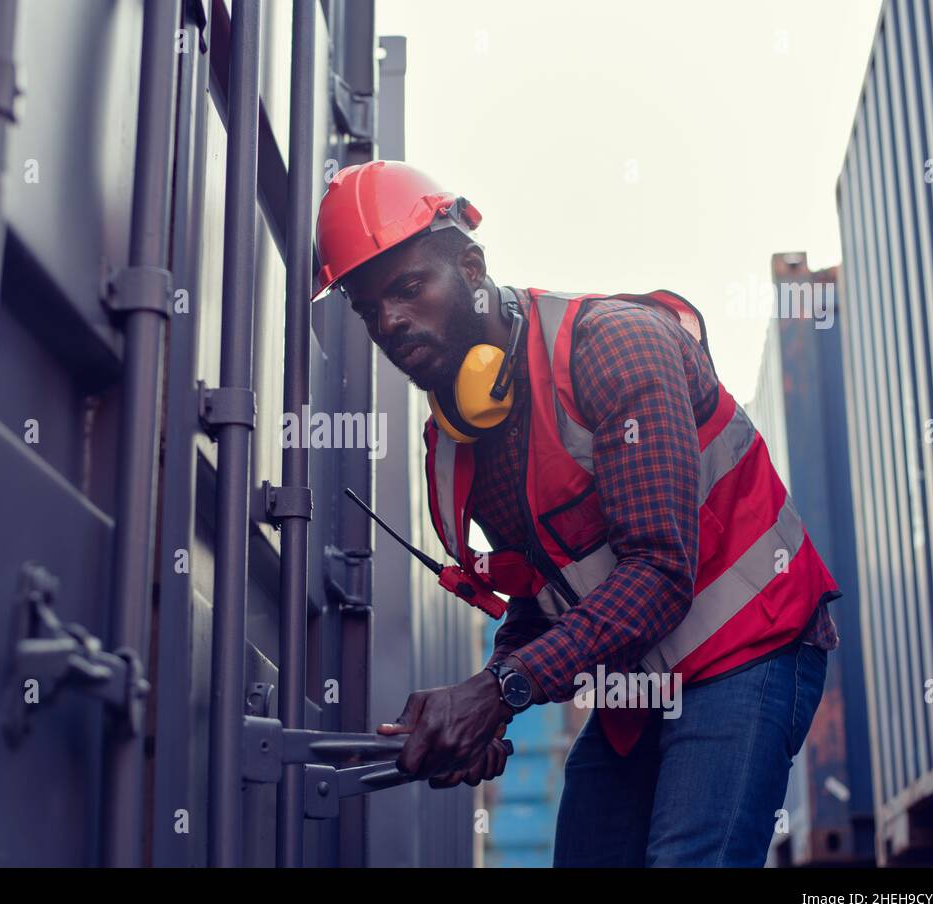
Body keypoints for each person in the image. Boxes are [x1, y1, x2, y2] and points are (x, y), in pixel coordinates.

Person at [311, 160, 841, 866]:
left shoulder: (613, 348)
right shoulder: (460, 438)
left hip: (751, 646)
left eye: (409, 288)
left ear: (470, 267)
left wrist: (497, 692)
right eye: (368, 307)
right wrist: (483, 702)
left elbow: (659, 571)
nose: (390, 320)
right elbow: (544, 600)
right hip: (642, 681)